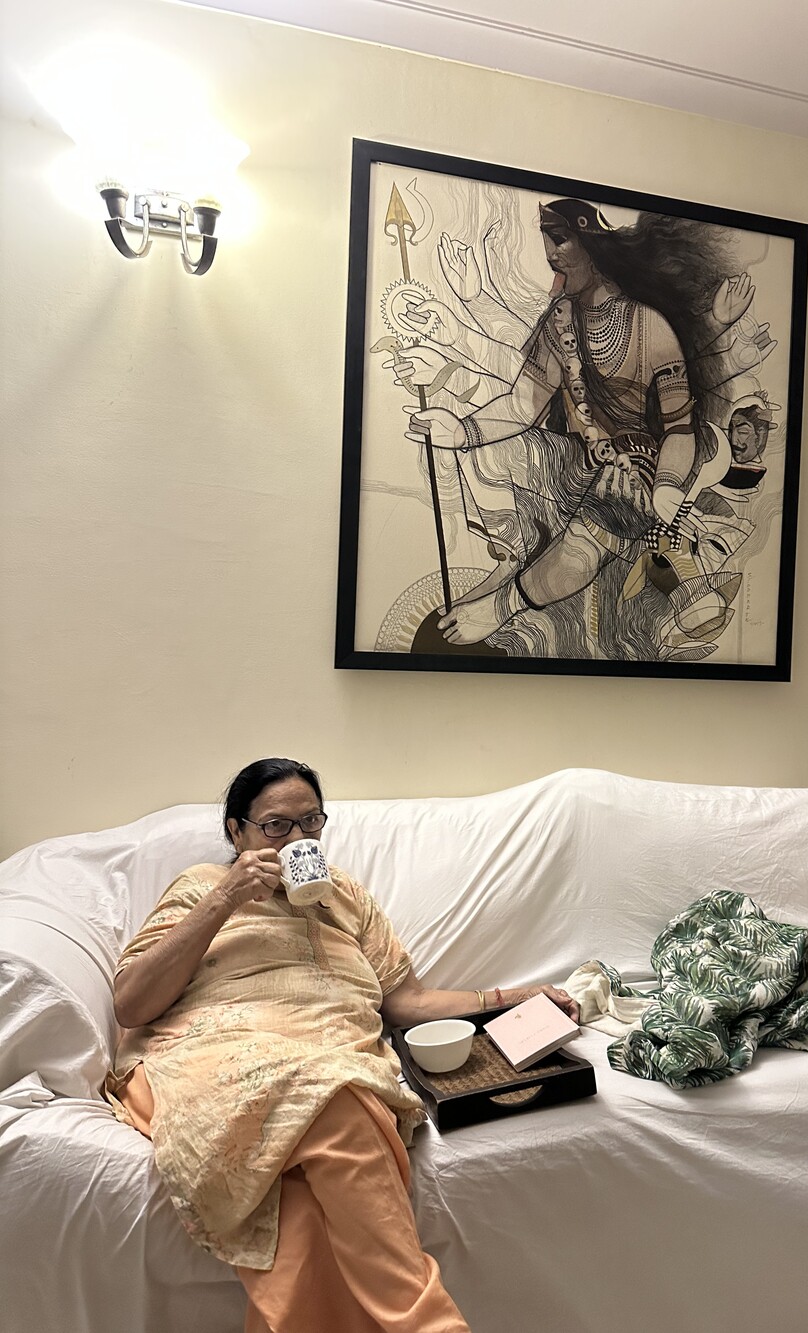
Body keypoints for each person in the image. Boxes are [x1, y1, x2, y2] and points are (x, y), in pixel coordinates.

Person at [106, 757, 578, 1333]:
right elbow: (131, 1003)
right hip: (213, 1057)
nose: (297, 839)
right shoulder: (202, 887)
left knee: (299, 1223)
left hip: (332, 1056)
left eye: (311, 822)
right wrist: (225, 899)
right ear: (237, 832)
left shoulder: (346, 896)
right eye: (276, 826)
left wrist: (517, 996)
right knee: (338, 1098)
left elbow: (407, 1002)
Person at [403, 199, 766, 655]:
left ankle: (499, 608)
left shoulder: (648, 325)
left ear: (593, 246)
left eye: (560, 240)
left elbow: (679, 429)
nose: (551, 254)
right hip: (579, 458)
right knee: (497, 457)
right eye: (546, 242)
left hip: (644, 469)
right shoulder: (559, 322)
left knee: (597, 526)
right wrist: (463, 431)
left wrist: (667, 487)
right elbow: (522, 404)